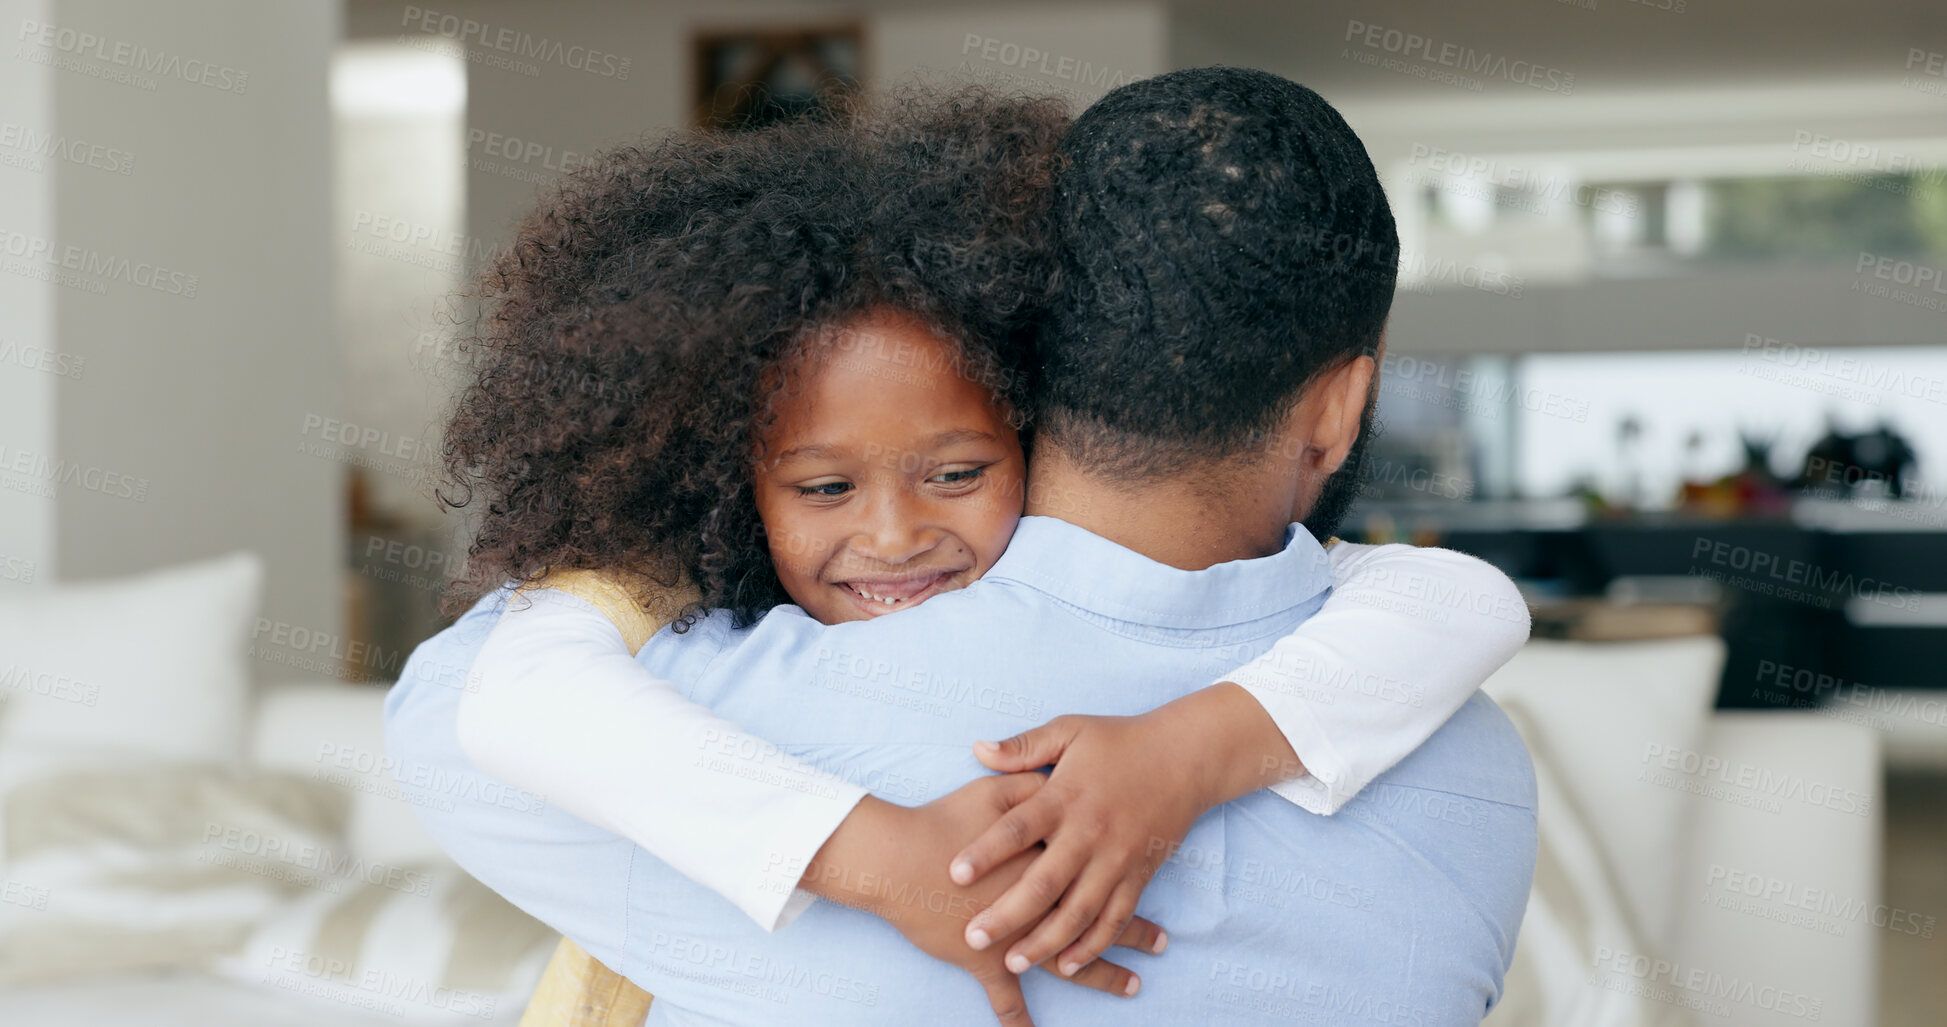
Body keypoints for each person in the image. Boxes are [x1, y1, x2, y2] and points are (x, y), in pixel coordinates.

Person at [388, 69, 1536, 1025]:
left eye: (946, 471)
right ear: (1339, 409)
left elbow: (471, 704)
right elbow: (1451, 600)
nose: (890, 532)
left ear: (1020, 365)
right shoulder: (1471, 762)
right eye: (827, 484)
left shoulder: (692, 706)